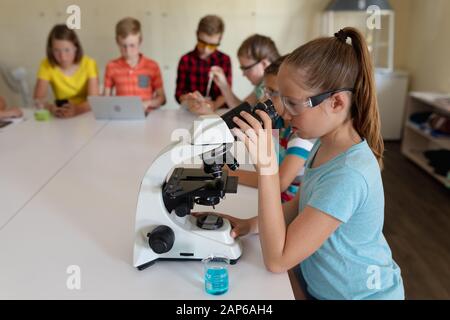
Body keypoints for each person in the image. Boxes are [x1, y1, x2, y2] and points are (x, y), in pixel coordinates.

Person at [216, 28, 404, 300]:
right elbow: (301, 203)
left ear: (336, 102)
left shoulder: (349, 173)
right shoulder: (324, 142)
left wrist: (268, 166)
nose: (283, 113)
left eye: (293, 104)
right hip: (323, 288)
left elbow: (278, 260)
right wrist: (250, 224)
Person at [229, 56, 313, 203]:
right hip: (269, 198)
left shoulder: (301, 134)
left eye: (272, 93)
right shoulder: (279, 122)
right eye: (265, 91)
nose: (265, 99)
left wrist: (228, 173)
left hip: (286, 207)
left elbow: (279, 182)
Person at [33, 24, 99, 118]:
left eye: (67, 50)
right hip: (61, 114)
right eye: (56, 51)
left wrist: (76, 110)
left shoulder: (89, 64)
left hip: (86, 114)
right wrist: (51, 108)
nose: (63, 57)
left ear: (75, 48)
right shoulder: (46, 64)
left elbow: (94, 100)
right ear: (51, 50)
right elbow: (38, 99)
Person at [104, 17, 166, 112]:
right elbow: (106, 99)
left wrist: (147, 103)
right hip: (122, 116)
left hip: (147, 115)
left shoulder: (152, 66)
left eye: (132, 45)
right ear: (117, 41)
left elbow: (162, 98)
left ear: (140, 41)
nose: (128, 51)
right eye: (123, 46)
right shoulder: (111, 66)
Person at [175, 15, 232, 115]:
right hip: (191, 112)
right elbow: (179, 93)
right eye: (202, 43)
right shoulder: (185, 60)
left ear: (220, 39)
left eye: (212, 45)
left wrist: (214, 105)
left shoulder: (224, 60)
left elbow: (227, 93)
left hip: (218, 112)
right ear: (197, 34)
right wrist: (189, 99)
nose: (206, 49)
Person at [210, 34, 280, 108]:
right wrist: (224, 85)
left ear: (264, 64)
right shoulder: (260, 86)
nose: (243, 74)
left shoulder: (273, 87)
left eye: (246, 68)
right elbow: (242, 109)